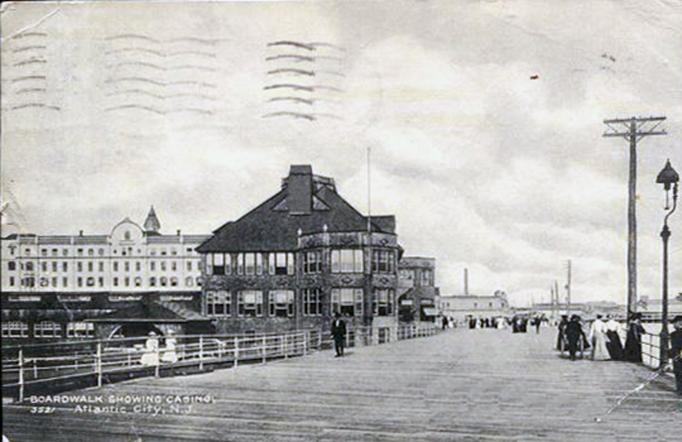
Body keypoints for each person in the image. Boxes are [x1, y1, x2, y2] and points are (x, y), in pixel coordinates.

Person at [669, 315, 682, 395]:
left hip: (677, 355)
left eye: (674, 323)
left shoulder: (674, 334)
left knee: (678, 372)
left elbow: (675, 346)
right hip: (678, 355)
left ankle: (680, 389)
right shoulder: (673, 334)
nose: (673, 325)